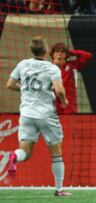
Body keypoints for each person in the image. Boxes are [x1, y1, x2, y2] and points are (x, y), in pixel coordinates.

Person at [6, 36, 71, 196]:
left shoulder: (22, 64)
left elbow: (10, 84)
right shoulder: (51, 68)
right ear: (45, 50)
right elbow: (59, 90)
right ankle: (59, 189)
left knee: (25, 152)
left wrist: (26, 88)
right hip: (46, 115)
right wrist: (64, 101)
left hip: (27, 114)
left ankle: (15, 156)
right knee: (56, 152)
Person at [50, 42, 92, 114]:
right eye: (57, 51)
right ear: (53, 54)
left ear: (66, 54)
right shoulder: (47, 67)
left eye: (62, 52)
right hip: (52, 106)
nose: (59, 54)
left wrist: (70, 52)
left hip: (69, 107)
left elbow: (88, 56)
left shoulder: (73, 65)